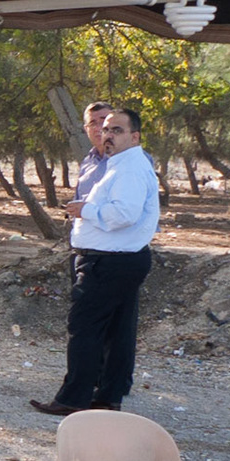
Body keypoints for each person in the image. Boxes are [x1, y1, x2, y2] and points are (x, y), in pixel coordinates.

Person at [30, 107, 159, 416]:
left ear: (135, 136)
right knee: (117, 331)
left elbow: (124, 215)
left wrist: (85, 211)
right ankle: (107, 396)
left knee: (85, 329)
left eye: (116, 130)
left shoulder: (129, 168)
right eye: (105, 130)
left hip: (109, 262)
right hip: (118, 259)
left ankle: (73, 398)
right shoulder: (121, 164)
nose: (108, 135)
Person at [76, 100, 113, 199]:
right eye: (92, 124)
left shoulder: (130, 159)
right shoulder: (87, 163)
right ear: (86, 129)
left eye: (104, 122)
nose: (98, 128)